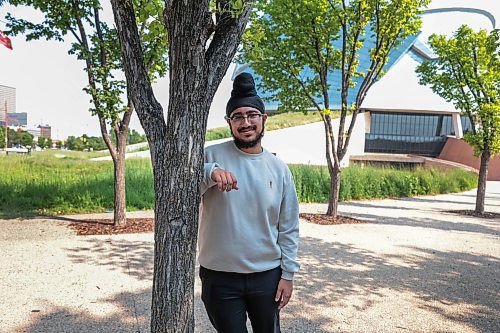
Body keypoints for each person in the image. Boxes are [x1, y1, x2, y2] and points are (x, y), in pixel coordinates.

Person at [199, 72, 300, 333]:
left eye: (251, 115)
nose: (246, 122)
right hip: (219, 275)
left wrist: (287, 275)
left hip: (267, 275)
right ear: (229, 122)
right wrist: (209, 173)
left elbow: (288, 227)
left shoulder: (279, 169)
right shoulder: (210, 155)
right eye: (238, 117)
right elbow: (182, 188)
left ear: (263, 119)